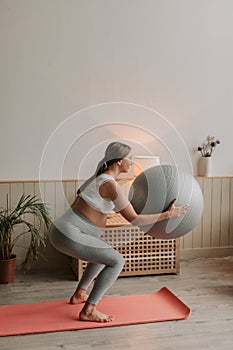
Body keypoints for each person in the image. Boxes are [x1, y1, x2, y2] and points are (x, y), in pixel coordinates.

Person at [48, 142, 188, 323]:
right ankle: (89, 310)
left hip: (64, 231)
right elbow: (135, 219)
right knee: (116, 260)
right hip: (68, 233)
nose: (131, 163)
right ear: (119, 162)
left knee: (103, 254)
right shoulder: (109, 184)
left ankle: (80, 293)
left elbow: (98, 207)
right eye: (129, 159)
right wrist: (168, 214)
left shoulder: (102, 179)